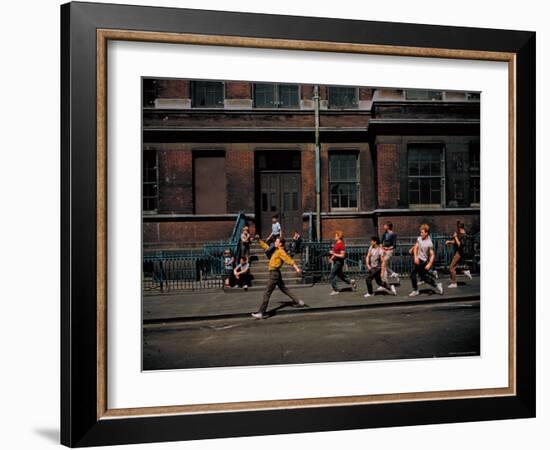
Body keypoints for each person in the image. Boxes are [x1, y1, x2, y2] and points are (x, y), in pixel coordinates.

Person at [251, 237, 304, 319]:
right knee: (284, 289)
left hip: (274, 274)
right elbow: (266, 247)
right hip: (275, 273)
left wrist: (296, 268)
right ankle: (299, 301)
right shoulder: (276, 249)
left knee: (267, 292)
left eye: (276, 241)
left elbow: (289, 260)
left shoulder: (281, 251)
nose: (275, 242)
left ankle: (261, 312)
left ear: (280, 244)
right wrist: (259, 240)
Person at [409, 224, 443, 296]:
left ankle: (415, 290)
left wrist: (430, 264)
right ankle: (437, 285)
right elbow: (416, 246)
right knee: (424, 277)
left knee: (413, 275)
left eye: (422, 232)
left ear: (426, 233)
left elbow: (432, 255)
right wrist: (415, 256)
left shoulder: (429, 243)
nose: (420, 234)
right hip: (418, 259)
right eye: (420, 232)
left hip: (423, 262)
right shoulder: (419, 238)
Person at [328, 230, 357, 295]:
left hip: (339, 262)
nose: (334, 237)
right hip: (336, 261)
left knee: (331, 275)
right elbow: (335, 252)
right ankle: (351, 281)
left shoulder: (341, 245)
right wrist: (331, 258)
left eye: (336, 235)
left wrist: (333, 254)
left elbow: (342, 256)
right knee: (340, 275)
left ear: (339, 236)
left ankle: (335, 290)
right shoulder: (336, 243)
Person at [445, 221, 473, 288]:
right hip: (459, 253)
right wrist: (449, 241)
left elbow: (459, 244)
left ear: (460, 228)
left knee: (451, 268)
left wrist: (455, 237)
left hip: (460, 253)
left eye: (457, 228)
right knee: (453, 267)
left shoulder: (464, 235)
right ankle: (465, 271)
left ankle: (454, 283)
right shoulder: (461, 234)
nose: (457, 230)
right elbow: (456, 242)